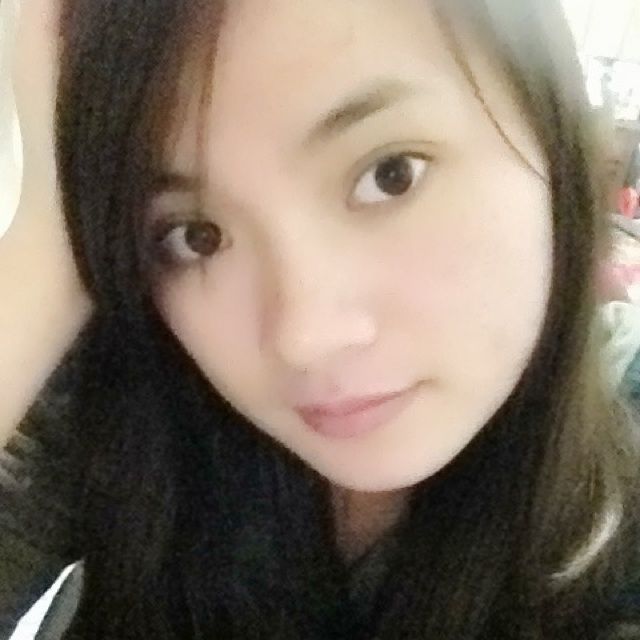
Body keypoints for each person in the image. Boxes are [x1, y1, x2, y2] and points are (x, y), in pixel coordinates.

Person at [2, 0, 640, 638]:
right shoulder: (135, 404)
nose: (303, 338)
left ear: (553, 140)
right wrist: (49, 237)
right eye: (195, 236)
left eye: (390, 175)